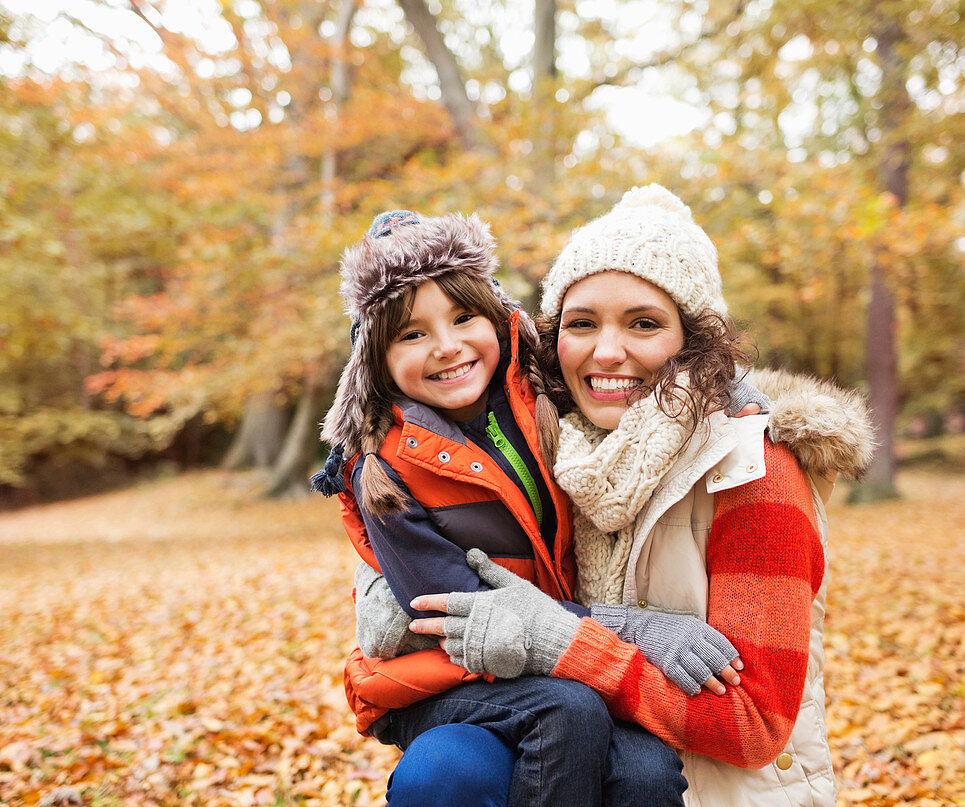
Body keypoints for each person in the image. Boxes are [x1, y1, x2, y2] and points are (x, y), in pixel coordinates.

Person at [394, 184, 875, 807]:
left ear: (695, 340)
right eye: (582, 323)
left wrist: (565, 640)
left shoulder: (756, 473)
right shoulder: (560, 451)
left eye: (643, 324)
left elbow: (752, 722)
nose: (607, 351)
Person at [313, 209, 769, 807]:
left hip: (552, 656)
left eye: (462, 316)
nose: (447, 347)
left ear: (500, 320)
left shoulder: (533, 398)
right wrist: (638, 627)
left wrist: (725, 387)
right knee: (569, 711)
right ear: (374, 359)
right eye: (411, 333)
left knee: (647, 772)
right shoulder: (385, 470)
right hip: (447, 676)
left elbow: (626, 371)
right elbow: (467, 617)